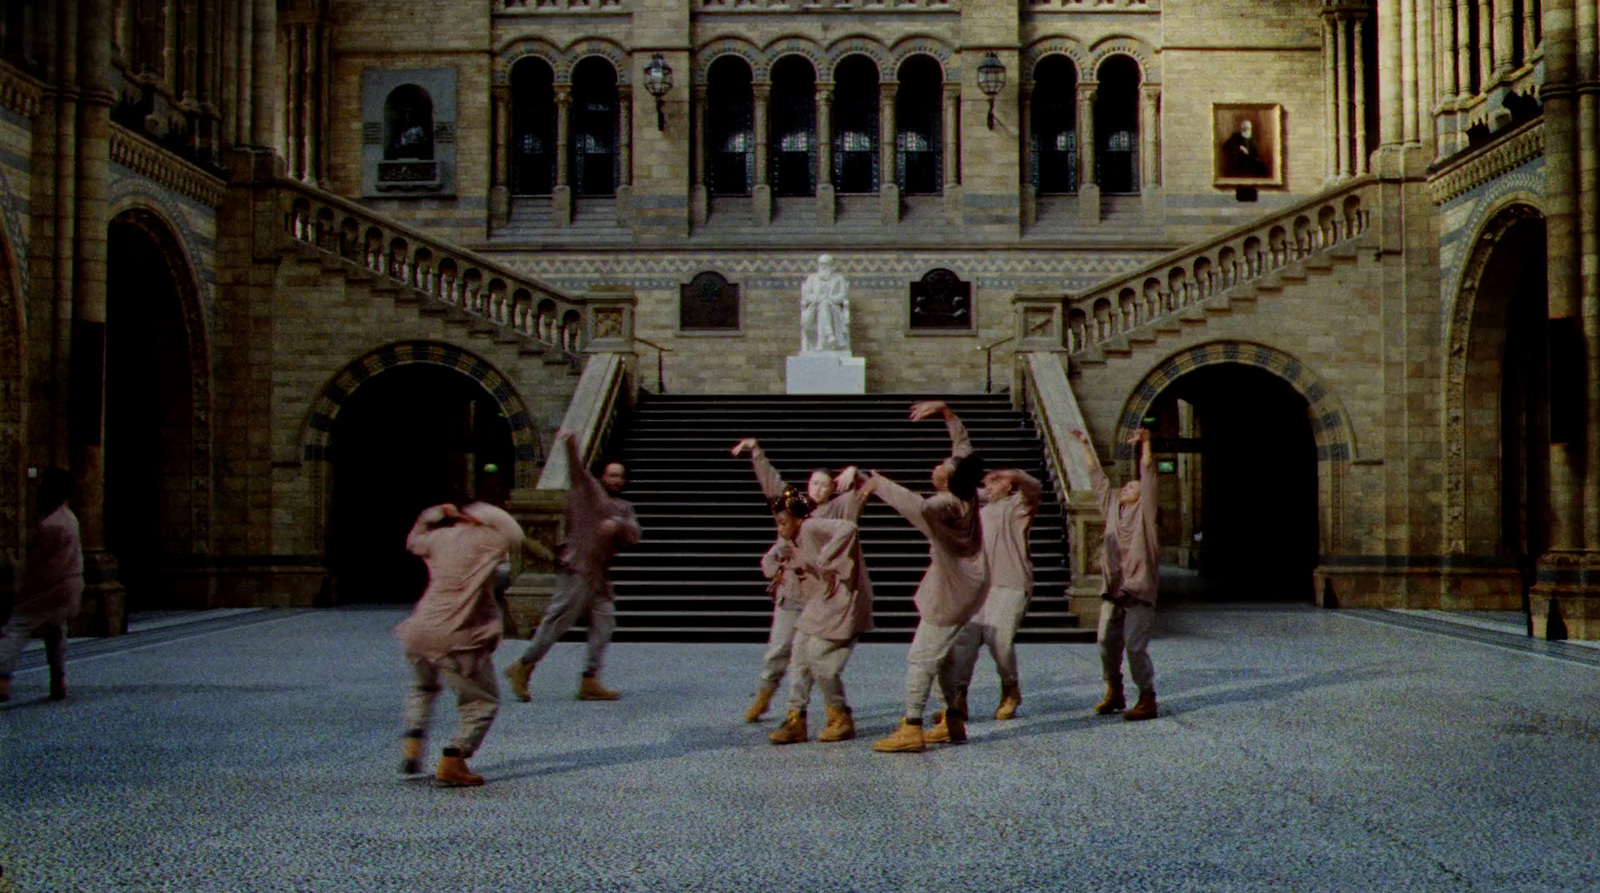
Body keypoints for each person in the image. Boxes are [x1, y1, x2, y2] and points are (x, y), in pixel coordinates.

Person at [866, 401, 989, 753]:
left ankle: (912, 725)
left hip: (950, 593)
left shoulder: (945, 506)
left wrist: (875, 482)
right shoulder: (963, 493)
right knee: (943, 657)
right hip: (963, 587)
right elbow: (963, 450)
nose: (937, 466)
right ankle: (952, 720)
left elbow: (916, 507)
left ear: (948, 480)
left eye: (941, 467)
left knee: (921, 657)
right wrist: (948, 414)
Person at [731, 437, 870, 723]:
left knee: (804, 657)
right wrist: (756, 452)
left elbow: (868, 489)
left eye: (824, 484)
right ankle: (766, 694)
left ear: (833, 488)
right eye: (814, 483)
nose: (818, 488)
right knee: (778, 648)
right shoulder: (795, 506)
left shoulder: (840, 508)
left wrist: (856, 472)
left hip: (820, 594)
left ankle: (799, 709)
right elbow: (772, 484)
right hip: (792, 591)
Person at [504, 429, 641, 702]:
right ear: (602, 475)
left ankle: (590, 680)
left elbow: (634, 534)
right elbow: (577, 471)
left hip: (599, 576)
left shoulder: (623, 507)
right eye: (612, 474)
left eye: (620, 476)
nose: (616, 480)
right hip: (577, 569)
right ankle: (523, 666)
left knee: (604, 624)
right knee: (557, 622)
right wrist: (570, 445)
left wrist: (617, 525)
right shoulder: (588, 493)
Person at [395, 499, 524, 786]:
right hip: (458, 635)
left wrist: (434, 514)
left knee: (422, 687)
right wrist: (483, 511)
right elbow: (516, 533)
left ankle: (413, 742)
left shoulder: (439, 538)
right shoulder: (488, 539)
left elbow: (413, 540)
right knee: (482, 703)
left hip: (419, 630)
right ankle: (454, 759)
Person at [928, 464, 1042, 739]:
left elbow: (1034, 489)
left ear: (1009, 487)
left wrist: (1016, 475)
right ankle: (957, 698)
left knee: (1000, 641)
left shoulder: (1017, 507)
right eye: (987, 484)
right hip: (978, 587)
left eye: (996, 482)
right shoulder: (978, 510)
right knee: (964, 643)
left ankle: (1010, 689)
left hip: (1010, 584)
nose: (989, 487)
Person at [761, 485, 876, 746]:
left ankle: (840, 716)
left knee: (821, 660)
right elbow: (770, 562)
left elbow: (848, 528)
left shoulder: (811, 527)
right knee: (799, 655)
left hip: (845, 597)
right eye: (777, 523)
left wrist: (824, 558)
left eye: (783, 522)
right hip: (823, 598)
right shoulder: (792, 538)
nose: (779, 528)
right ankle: (795, 718)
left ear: (798, 519)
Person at [1069, 426, 1161, 722]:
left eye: (1132, 488)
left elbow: (1148, 475)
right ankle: (1114, 689)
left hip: (1138, 589)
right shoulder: (1112, 511)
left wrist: (1146, 444)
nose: (1126, 489)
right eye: (1125, 487)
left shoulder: (1144, 514)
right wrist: (1084, 444)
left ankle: (1147, 697)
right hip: (1113, 589)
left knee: (1135, 645)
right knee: (1106, 642)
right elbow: (1097, 480)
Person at [0, 468, 83, 703]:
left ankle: (1, 678)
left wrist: (23, 588)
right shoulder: (70, 519)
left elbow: (41, 563)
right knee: (56, 631)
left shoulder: (51, 525)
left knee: (16, 628)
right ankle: (59, 680)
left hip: (50, 588)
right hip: (69, 588)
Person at [800, 254, 851, 353]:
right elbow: (807, 295)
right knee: (823, 304)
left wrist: (829, 299)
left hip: (833, 308)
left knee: (825, 304)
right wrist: (818, 298)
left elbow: (842, 295)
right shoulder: (812, 278)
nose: (823, 266)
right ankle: (829, 335)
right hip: (814, 308)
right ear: (818, 265)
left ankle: (821, 341)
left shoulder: (838, 278)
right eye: (821, 264)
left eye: (826, 264)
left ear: (831, 265)